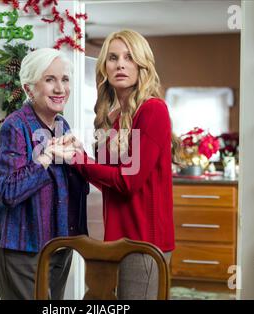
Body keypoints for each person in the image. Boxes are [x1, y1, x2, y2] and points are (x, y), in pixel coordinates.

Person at [64, 29, 176, 299]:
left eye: (129, 57)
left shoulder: (153, 110)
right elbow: (108, 180)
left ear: (142, 64)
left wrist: (79, 162)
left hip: (144, 243)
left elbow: (128, 181)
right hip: (117, 240)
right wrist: (80, 156)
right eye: (113, 58)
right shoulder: (113, 117)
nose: (121, 64)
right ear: (104, 66)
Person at [0, 48, 89, 300]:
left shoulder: (62, 125)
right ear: (29, 88)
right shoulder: (15, 125)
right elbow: (9, 191)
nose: (60, 88)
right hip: (21, 244)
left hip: (59, 242)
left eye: (64, 79)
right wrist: (45, 158)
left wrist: (79, 158)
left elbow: (74, 188)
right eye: (49, 79)